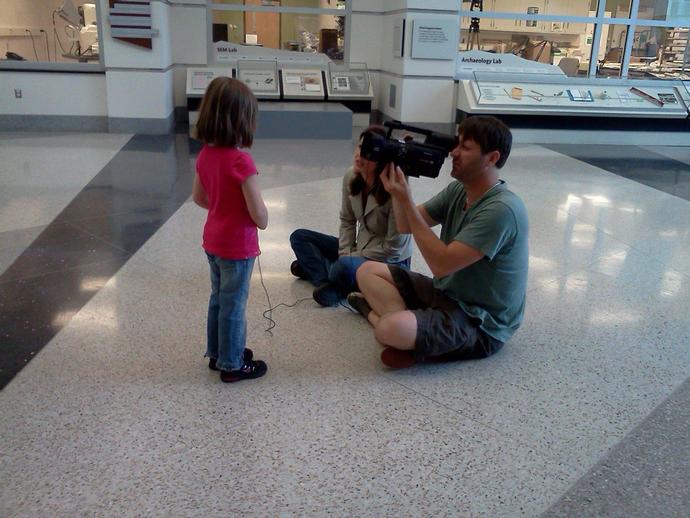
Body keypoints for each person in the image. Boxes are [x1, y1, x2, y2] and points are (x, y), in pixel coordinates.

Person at [348, 116, 528, 369]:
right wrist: (401, 185)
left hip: (481, 322)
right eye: (457, 143)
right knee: (367, 270)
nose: (454, 152)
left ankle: (382, 320)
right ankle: (411, 335)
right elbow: (405, 225)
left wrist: (406, 201)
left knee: (389, 329)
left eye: (465, 147)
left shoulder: (502, 209)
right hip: (448, 293)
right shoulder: (459, 190)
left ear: (492, 158)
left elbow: (441, 264)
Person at [192, 77, 269, 383]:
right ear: (242, 121)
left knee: (218, 299)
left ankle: (218, 352)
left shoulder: (205, 154)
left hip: (212, 241)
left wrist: (223, 207)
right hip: (237, 247)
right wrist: (253, 215)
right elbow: (260, 216)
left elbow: (199, 197)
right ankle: (233, 364)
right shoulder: (241, 161)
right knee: (234, 306)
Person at [289, 126, 413, 307]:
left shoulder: (395, 188)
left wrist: (350, 258)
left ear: (381, 158)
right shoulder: (351, 176)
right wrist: (345, 253)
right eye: (359, 147)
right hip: (359, 246)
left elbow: (394, 248)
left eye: (367, 151)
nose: (359, 154)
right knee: (299, 237)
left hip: (389, 261)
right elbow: (347, 221)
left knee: (343, 266)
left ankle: (324, 274)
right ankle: (331, 281)